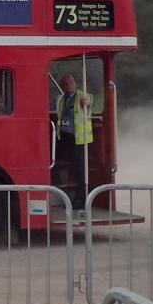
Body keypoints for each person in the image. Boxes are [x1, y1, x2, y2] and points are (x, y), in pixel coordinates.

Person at [55, 73, 94, 208]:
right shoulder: (60, 99)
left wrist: (86, 103)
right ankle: (57, 181)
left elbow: (88, 103)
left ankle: (82, 199)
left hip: (79, 140)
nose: (67, 86)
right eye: (64, 84)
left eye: (69, 83)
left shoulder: (83, 96)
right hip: (64, 137)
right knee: (50, 156)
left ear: (75, 83)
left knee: (80, 171)